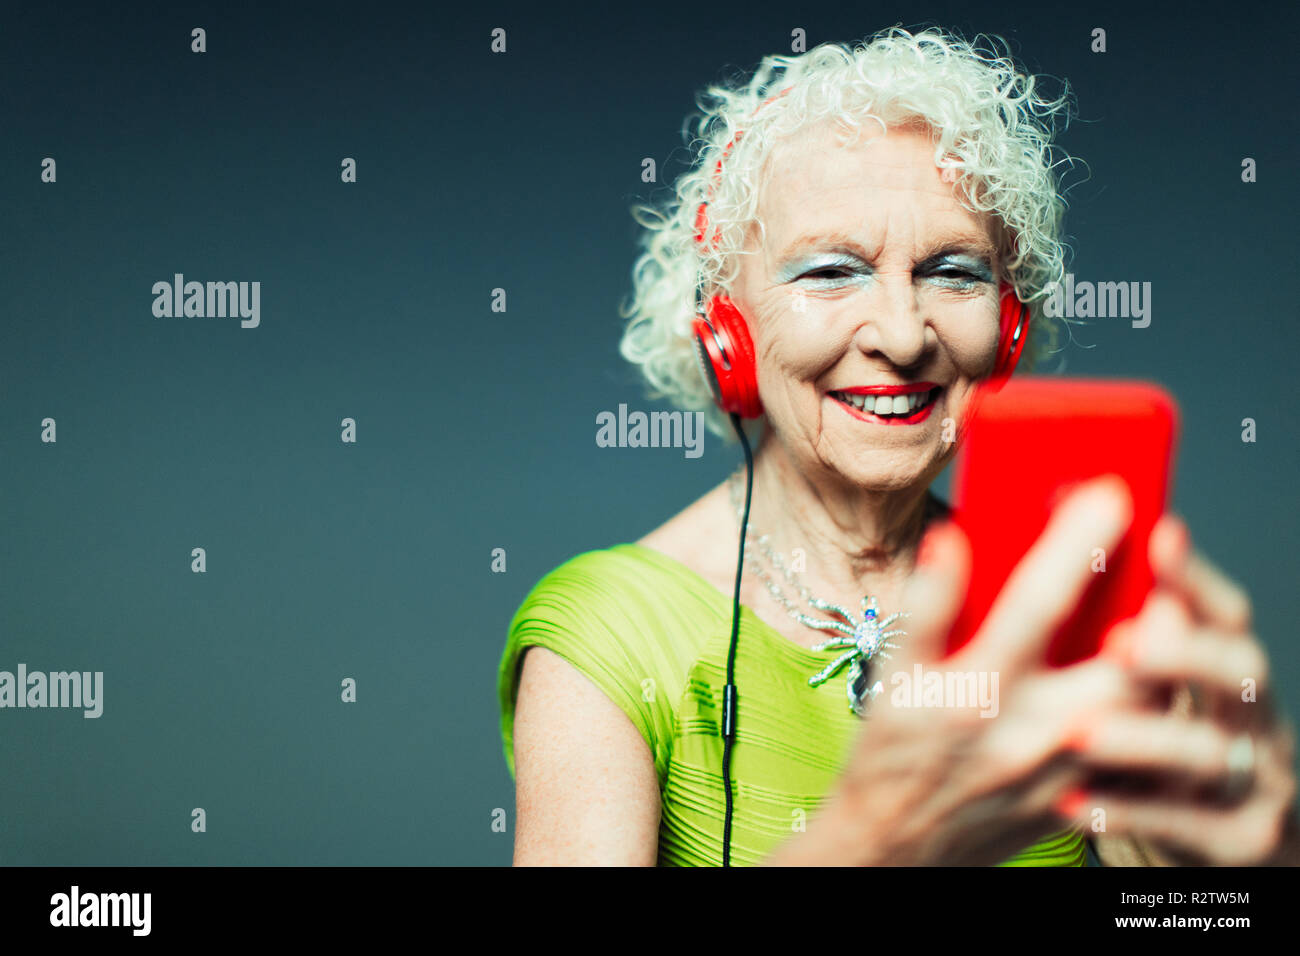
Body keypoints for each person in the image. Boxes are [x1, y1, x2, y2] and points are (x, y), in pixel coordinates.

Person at [496, 25, 1298, 866]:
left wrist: (1247, 872)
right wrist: (876, 838)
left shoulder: (1066, 605)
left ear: (1011, 326)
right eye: (830, 271)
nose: (903, 335)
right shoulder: (603, 637)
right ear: (725, 330)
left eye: (953, 271)